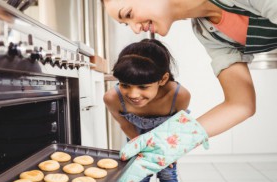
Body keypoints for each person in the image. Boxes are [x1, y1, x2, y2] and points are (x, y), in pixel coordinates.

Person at [101, 0, 277, 138]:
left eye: (129, 14)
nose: (135, 29)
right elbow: (240, 104)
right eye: (126, 24)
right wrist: (172, 142)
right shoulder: (208, 33)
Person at [103, 39, 191, 182]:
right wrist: (142, 149)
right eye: (125, 85)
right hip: (136, 139)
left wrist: (168, 152)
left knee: (168, 175)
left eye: (143, 86)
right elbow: (125, 124)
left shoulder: (179, 96)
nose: (133, 94)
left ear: (163, 79)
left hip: (166, 141)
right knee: (138, 177)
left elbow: (178, 127)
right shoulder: (112, 98)